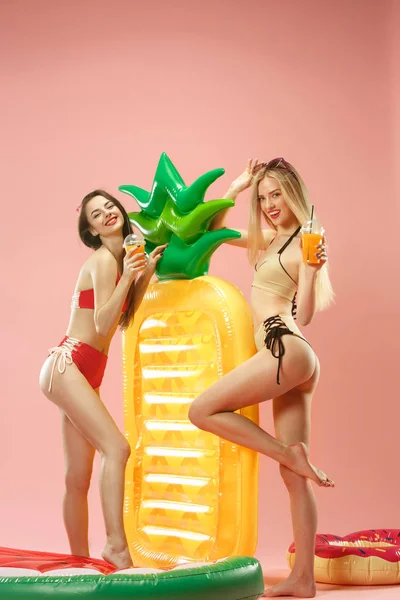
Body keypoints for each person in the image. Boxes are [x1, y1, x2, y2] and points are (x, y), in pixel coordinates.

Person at [189, 159, 335, 598]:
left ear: (293, 194)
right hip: (294, 358)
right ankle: (304, 578)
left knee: (202, 410)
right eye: (263, 197)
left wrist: (310, 271)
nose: (270, 204)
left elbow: (305, 313)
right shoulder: (272, 239)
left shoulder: (304, 242)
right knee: (294, 479)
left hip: (283, 348)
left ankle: (290, 455)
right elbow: (213, 231)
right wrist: (237, 187)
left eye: (277, 195)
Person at [39, 190, 165, 569]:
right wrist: (129, 273)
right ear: (91, 230)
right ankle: (116, 547)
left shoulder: (118, 260)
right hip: (69, 364)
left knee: (78, 477)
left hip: (79, 370)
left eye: (110, 206)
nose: (108, 213)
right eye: (97, 213)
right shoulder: (103, 261)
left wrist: (143, 273)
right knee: (118, 449)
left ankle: (78, 562)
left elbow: (122, 319)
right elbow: (102, 324)